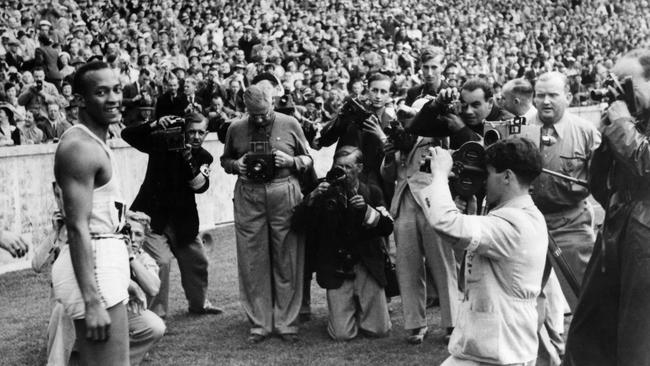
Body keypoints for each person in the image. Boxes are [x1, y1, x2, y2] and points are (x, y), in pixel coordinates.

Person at [417, 138, 547, 366]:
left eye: (487, 174)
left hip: (502, 353)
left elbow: (446, 223)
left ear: (507, 176)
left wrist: (439, 174)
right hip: (487, 348)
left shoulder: (514, 222)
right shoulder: (524, 214)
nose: (483, 181)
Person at [564, 49, 650, 366]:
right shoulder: (631, 120)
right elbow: (599, 184)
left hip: (643, 237)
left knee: (637, 336)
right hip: (619, 228)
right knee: (589, 329)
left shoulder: (628, 122)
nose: (618, 91)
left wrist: (623, 123)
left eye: (627, 83)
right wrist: (609, 131)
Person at [52, 61, 131, 366]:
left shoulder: (96, 141)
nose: (112, 98)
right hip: (93, 262)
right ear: (81, 100)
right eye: (101, 92)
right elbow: (78, 227)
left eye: (116, 89)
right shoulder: (80, 147)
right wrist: (92, 299)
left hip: (102, 257)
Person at [220, 84, 312, 343]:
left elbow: (308, 159)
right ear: (245, 109)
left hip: (284, 191)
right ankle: (259, 323)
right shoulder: (236, 128)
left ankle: (287, 323)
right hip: (250, 195)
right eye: (253, 114)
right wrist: (235, 165)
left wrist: (291, 161)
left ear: (273, 102)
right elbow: (225, 160)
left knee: (288, 257)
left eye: (264, 112)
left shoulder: (290, 122)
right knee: (253, 260)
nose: (259, 119)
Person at [121, 111, 222, 318]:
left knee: (198, 260)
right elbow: (127, 134)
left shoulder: (203, 156)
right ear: (183, 131)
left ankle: (199, 304)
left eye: (200, 133)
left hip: (183, 220)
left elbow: (199, 186)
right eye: (191, 132)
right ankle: (156, 314)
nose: (195, 137)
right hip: (151, 218)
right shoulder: (160, 143)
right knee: (161, 262)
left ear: (206, 134)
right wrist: (155, 124)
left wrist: (187, 159)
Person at [292, 146, 393, 341]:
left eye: (348, 167)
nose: (343, 172)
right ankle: (348, 312)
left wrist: (366, 210)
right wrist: (312, 198)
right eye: (339, 167)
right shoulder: (322, 189)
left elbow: (388, 227)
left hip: (366, 264)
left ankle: (364, 311)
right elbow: (297, 224)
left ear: (360, 168)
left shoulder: (371, 191)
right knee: (342, 335)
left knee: (379, 331)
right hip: (336, 265)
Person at [380, 131, 459, 344]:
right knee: (407, 267)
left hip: (432, 203)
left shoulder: (435, 136)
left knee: (443, 264)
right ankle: (415, 325)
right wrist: (388, 156)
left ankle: (453, 323)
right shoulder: (397, 137)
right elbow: (388, 176)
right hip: (404, 205)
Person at [531, 71, 601, 310]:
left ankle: (589, 348)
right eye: (540, 95)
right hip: (530, 223)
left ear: (568, 97)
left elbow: (602, 181)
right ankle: (543, 349)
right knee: (524, 300)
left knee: (586, 297)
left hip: (571, 223)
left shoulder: (586, 132)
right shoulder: (521, 130)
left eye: (553, 95)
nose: (546, 101)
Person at [318, 72, 396, 200]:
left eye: (383, 92)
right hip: (343, 177)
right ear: (367, 90)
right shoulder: (352, 113)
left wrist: (380, 135)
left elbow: (391, 159)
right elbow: (324, 141)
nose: (377, 96)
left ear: (389, 96)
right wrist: (341, 118)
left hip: (375, 185)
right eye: (374, 90)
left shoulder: (390, 122)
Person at [406, 78, 513, 149]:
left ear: (490, 102)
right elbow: (415, 128)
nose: (468, 111)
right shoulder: (459, 116)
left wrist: (462, 131)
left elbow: (495, 159)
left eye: (475, 105)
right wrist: (436, 104)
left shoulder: (508, 122)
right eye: (465, 105)